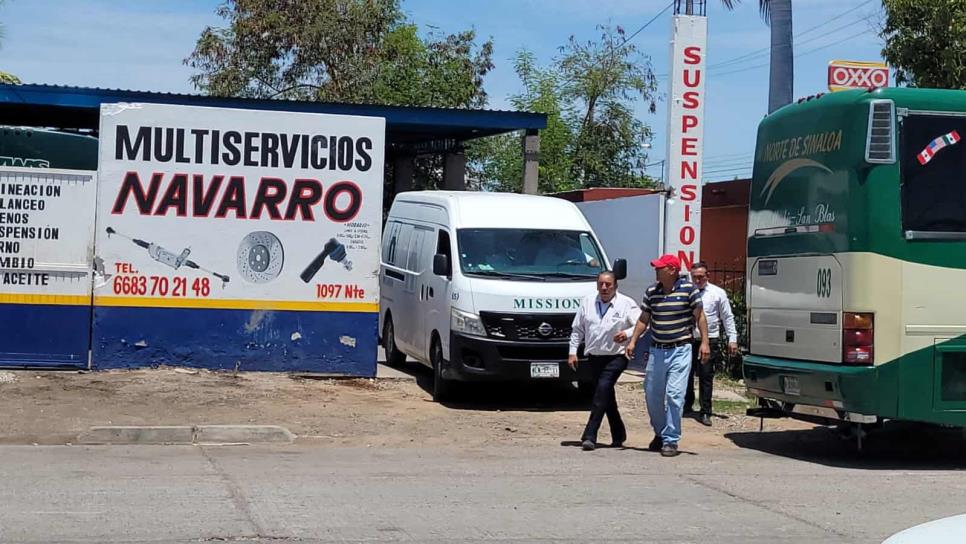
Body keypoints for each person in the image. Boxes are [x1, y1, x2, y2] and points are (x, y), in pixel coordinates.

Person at [626, 254, 709, 458]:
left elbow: (700, 316)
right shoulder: (652, 292)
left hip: (680, 349)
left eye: (660, 267)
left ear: (672, 270)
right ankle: (660, 433)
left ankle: (671, 439)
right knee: (652, 394)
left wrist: (705, 342)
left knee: (674, 395)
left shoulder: (688, 290)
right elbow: (644, 319)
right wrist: (633, 340)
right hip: (657, 350)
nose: (656, 270)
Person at [568, 271, 642, 451]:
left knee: (601, 392)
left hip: (617, 356)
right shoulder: (587, 302)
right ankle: (618, 433)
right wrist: (572, 352)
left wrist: (627, 334)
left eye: (608, 284)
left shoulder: (626, 304)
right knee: (606, 395)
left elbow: (641, 324)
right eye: (601, 284)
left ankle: (590, 435)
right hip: (594, 357)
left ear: (616, 286)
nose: (604, 288)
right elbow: (577, 330)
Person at [684, 262, 738, 427]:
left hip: (709, 339)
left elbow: (727, 317)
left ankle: (705, 411)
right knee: (686, 373)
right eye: (695, 277)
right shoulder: (686, 292)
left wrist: (732, 338)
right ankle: (686, 405)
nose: (698, 280)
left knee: (706, 376)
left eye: (701, 277)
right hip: (689, 338)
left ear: (707, 276)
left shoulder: (717, 293)